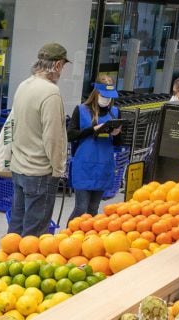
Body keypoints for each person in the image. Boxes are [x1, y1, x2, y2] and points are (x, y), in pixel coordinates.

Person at [8, 43, 69, 237]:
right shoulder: (50, 92)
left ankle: (6, 263)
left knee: (16, 227)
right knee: (34, 234)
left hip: (19, 167)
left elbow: (13, 125)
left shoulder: (23, 85)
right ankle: (23, 265)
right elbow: (53, 137)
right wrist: (59, 169)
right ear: (58, 65)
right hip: (39, 173)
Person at [67, 75, 122, 222]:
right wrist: (93, 129)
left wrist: (116, 134)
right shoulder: (81, 110)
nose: (107, 99)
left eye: (109, 96)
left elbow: (117, 143)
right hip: (84, 166)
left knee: (93, 208)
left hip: (103, 166)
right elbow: (70, 135)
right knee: (81, 208)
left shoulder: (115, 113)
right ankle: (67, 238)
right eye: (104, 95)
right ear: (96, 92)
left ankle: (87, 239)